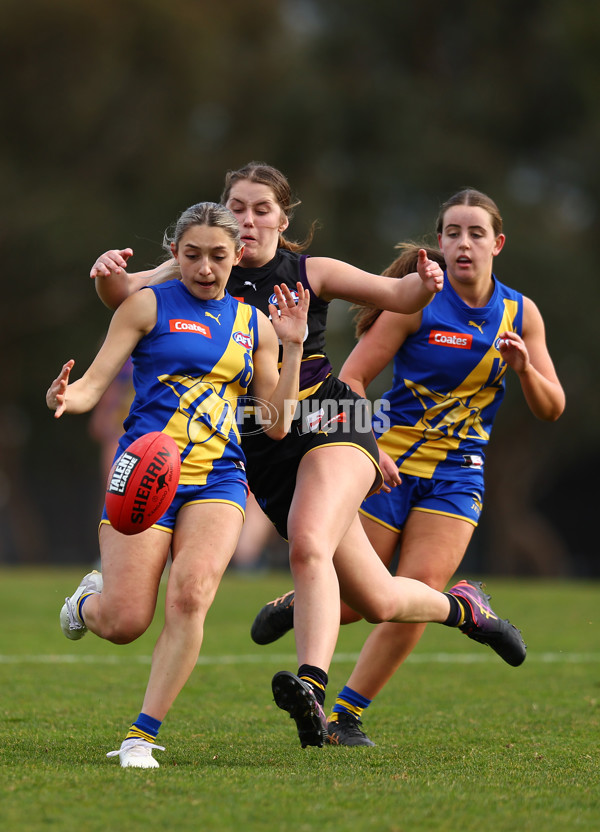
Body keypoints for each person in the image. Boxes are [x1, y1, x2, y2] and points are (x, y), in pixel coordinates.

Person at [88, 165, 526, 750]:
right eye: (237, 208)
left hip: (332, 416)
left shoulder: (308, 271)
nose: (247, 221)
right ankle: (463, 607)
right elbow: (123, 294)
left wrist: (426, 282)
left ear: (282, 218)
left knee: (307, 538)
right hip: (262, 436)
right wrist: (106, 273)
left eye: (261, 209)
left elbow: (397, 294)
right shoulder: (197, 263)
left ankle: (312, 693)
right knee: (376, 597)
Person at [251, 187, 566, 747]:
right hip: (387, 462)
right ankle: (305, 601)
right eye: (451, 233)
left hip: (458, 472)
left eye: (475, 233)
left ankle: (346, 716)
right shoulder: (416, 306)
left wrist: (523, 370)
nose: (462, 243)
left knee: (419, 589)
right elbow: (347, 381)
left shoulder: (521, 312)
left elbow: (552, 407)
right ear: (440, 243)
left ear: (497, 243)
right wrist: (371, 445)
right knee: (360, 602)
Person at [47, 201, 310, 768]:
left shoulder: (254, 324)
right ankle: (87, 602)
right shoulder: (146, 306)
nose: (206, 268)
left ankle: (141, 737)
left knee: (191, 595)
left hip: (218, 478)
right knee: (124, 622)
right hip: (144, 472)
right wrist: (67, 398)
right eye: (192, 255)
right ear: (175, 254)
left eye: (218, 256)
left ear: (238, 256)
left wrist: (292, 345)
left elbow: (276, 422)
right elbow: (94, 384)